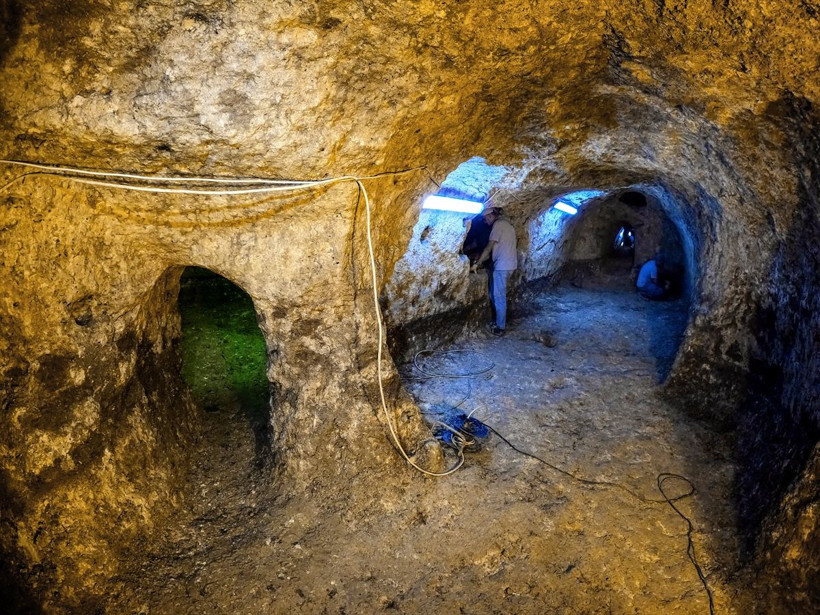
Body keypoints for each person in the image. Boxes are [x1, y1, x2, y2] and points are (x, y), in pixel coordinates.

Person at [471, 206, 517, 336]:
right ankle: (498, 321)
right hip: (510, 264)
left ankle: (500, 328)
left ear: (491, 216)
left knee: (499, 296)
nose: (486, 222)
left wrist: (477, 264)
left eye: (486, 219)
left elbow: (489, 247)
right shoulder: (508, 225)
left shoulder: (497, 225)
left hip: (502, 266)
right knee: (495, 294)